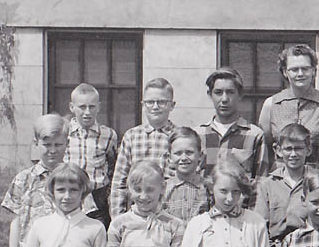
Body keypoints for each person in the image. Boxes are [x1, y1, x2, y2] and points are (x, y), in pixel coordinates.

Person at [2, 113, 69, 247]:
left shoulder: (74, 178)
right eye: (46, 144)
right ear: (36, 143)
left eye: (58, 144)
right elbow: (16, 224)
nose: (52, 150)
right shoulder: (23, 179)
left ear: (67, 144)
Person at [259, 43, 319, 176]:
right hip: (281, 180)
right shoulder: (271, 105)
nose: (300, 74)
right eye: (294, 69)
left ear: (313, 71)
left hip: (316, 180)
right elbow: (265, 151)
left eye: (305, 69)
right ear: (285, 72)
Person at [109, 77, 178, 217]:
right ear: (143, 105)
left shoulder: (179, 137)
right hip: (136, 215)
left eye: (162, 102)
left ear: (172, 105)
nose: (155, 107)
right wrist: (118, 219)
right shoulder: (132, 136)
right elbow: (119, 183)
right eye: (150, 102)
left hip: (169, 215)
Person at [198, 68, 269, 196]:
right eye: (218, 92)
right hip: (202, 206)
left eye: (230, 92)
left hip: (240, 206)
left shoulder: (254, 136)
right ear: (210, 95)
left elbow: (261, 184)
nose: (224, 99)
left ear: (240, 94)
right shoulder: (198, 135)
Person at [255, 124, 317, 247]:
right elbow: (260, 226)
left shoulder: (317, 181)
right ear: (278, 150)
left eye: (299, 148)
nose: (293, 154)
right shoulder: (268, 185)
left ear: (308, 150)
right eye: (288, 149)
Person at [64, 83, 118, 228]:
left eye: (92, 107)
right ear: (72, 107)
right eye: (82, 107)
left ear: (98, 107)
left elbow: (113, 167)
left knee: (97, 234)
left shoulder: (108, 135)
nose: (87, 112)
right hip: (68, 194)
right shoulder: (64, 132)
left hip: (98, 198)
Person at [161, 127, 210, 223]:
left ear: (200, 155)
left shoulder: (208, 188)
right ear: (169, 157)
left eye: (189, 152)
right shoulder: (163, 189)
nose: (183, 158)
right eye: (178, 153)